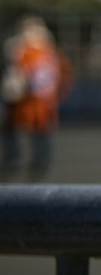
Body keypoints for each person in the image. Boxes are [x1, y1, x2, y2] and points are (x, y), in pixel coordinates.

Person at [1, 16, 71, 181]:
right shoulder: (48, 52)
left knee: (29, 129)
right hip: (40, 99)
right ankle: (35, 161)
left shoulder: (28, 52)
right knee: (35, 130)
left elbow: (26, 76)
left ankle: (20, 160)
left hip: (31, 99)